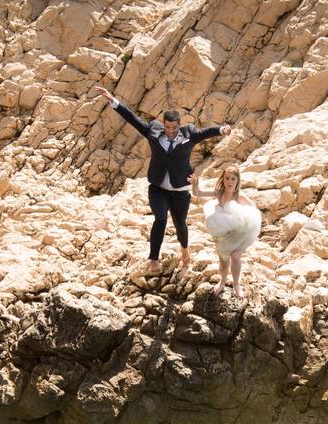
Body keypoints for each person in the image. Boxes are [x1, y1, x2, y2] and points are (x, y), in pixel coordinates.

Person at [94, 86, 231, 272]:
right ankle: (154, 259)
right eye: (168, 127)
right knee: (160, 218)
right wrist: (113, 101)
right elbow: (134, 119)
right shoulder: (154, 132)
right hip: (158, 187)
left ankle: (184, 249)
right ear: (164, 124)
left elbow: (205, 133)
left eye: (174, 128)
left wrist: (221, 130)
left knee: (180, 224)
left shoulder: (188, 134)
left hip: (180, 190)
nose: (171, 131)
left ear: (179, 125)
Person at [190, 165, 261, 296]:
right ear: (223, 180)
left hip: (238, 235)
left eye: (233, 179)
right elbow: (197, 193)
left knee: (235, 257)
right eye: (227, 178)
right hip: (222, 234)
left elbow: (254, 211)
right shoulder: (219, 193)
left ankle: (236, 285)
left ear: (237, 181)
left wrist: (249, 223)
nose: (229, 181)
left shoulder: (240, 196)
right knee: (223, 261)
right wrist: (195, 184)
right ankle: (222, 282)